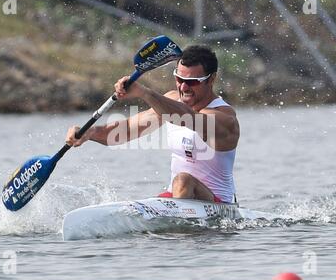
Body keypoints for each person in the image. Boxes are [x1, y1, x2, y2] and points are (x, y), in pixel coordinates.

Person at [66, 45, 240, 204]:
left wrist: (143, 92)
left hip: (218, 203)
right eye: (179, 79)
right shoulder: (170, 102)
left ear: (211, 79)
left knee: (182, 180)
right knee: (167, 192)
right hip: (178, 196)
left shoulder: (224, 118)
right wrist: (89, 132)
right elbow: (125, 130)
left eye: (192, 82)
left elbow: (187, 117)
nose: (184, 87)